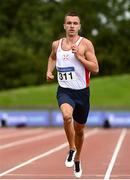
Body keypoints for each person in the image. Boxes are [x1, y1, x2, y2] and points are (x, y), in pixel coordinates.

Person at [46, 11, 99, 178]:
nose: (72, 26)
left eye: (75, 23)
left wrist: (80, 57)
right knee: (67, 117)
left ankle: (77, 159)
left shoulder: (86, 44)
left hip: (82, 93)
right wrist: (49, 70)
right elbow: (53, 57)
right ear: (64, 25)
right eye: (69, 23)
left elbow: (95, 68)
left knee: (80, 131)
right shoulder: (57, 44)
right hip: (65, 91)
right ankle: (71, 148)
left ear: (79, 26)